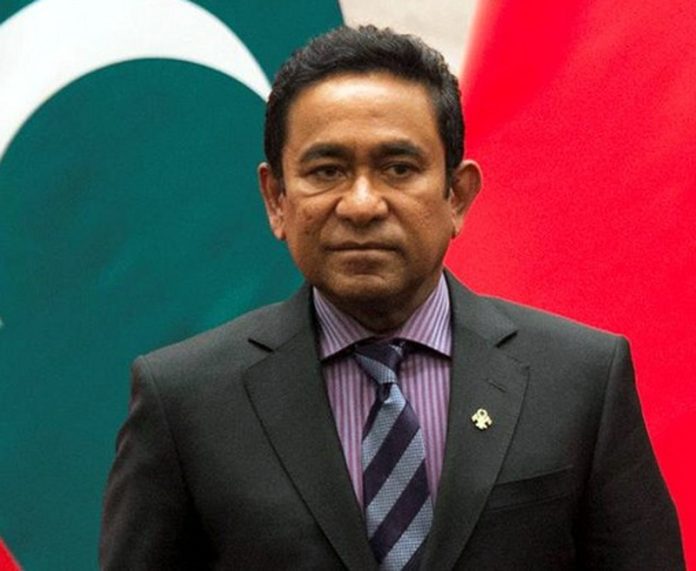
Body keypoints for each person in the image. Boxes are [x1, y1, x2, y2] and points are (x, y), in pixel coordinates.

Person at [100, 25, 684, 569]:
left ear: (457, 196)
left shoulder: (580, 379)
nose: (361, 204)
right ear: (276, 198)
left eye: (398, 168)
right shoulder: (185, 401)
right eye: (326, 171)